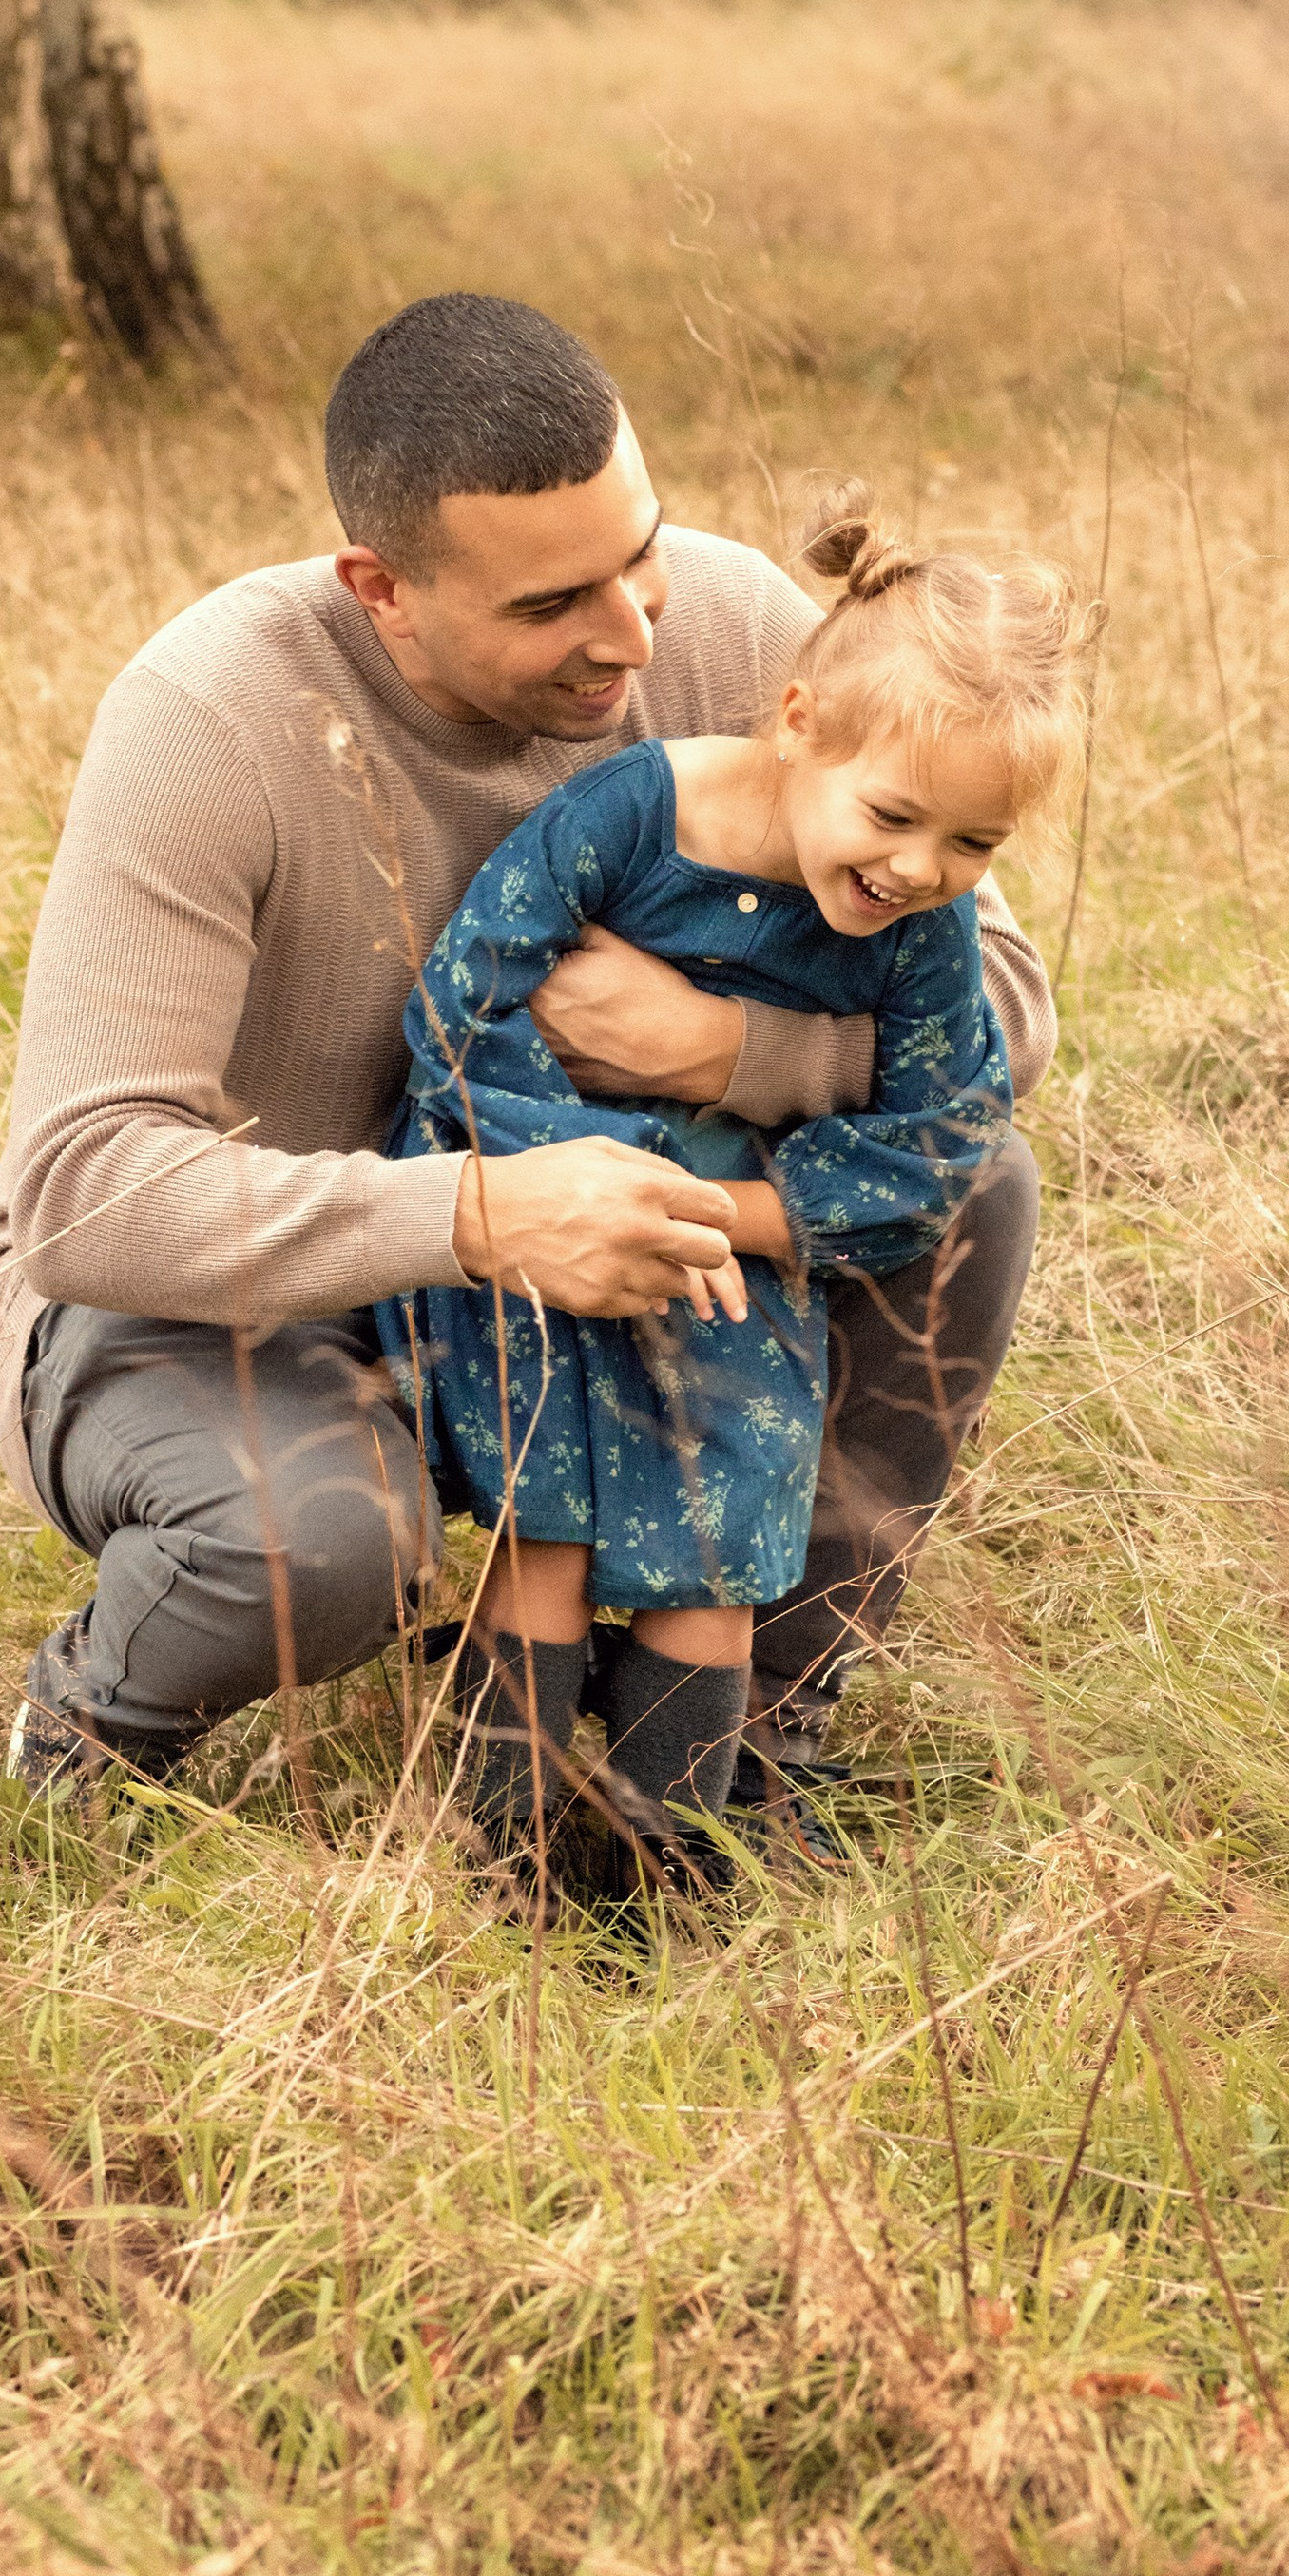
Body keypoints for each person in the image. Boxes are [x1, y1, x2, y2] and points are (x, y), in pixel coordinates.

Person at [0, 291, 1054, 1822]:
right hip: (247, 1296)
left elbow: (1002, 1005)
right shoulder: (208, 719)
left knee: (979, 1188)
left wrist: (727, 1050)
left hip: (638, 1268)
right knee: (322, 1545)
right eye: (553, 605)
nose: (630, 632)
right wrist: (481, 1215)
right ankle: (90, 1727)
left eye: (642, 550)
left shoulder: (744, 634)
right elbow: (82, 1201)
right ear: (383, 590)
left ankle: (747, 1728)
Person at [381, 500, 1082, 1896]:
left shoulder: (921, 928)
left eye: (975, 846)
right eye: (894, 818)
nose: (919, 870)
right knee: (552, 1533)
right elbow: (463, 1012)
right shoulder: (635, 814)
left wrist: (749, 1220)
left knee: (719, 1553)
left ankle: (674, 1877)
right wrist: (576, 1180)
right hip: (543, 1236)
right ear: (799, 719)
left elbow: (949, 1132)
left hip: (738, 1268)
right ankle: (487, 1869)